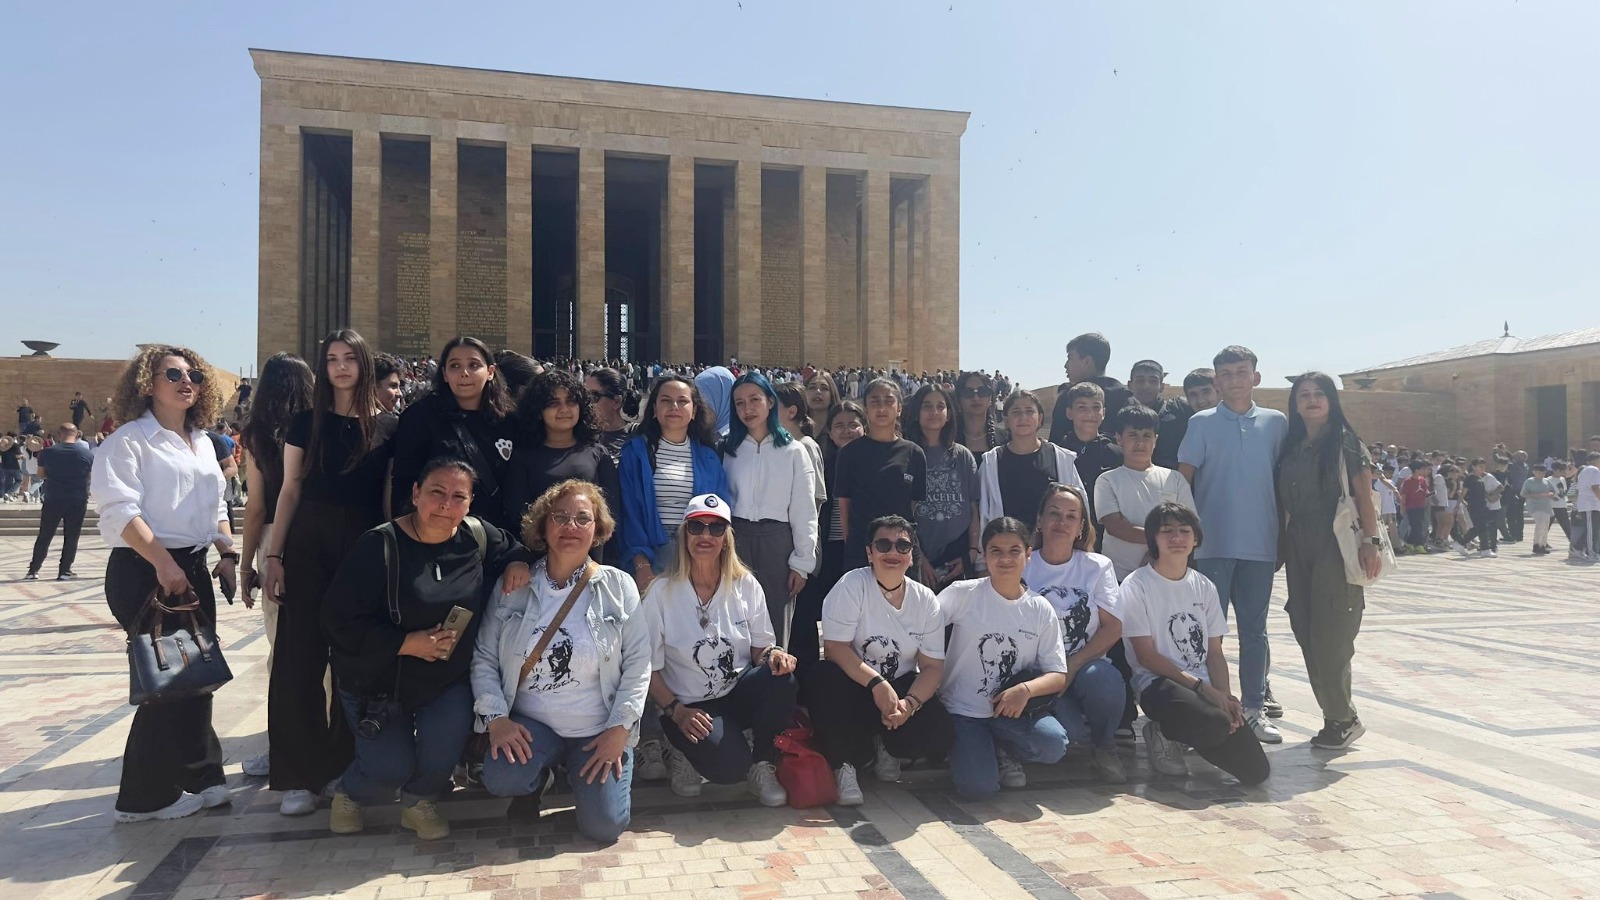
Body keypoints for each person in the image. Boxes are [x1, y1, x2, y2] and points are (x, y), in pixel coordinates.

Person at [322, 459, 532, 840]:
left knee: (443, 744)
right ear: (416, 493)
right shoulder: (379, 546)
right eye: (437, 492)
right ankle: (351, 792)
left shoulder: (476, 536)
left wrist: (517, 561)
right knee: (388, 770)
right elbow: (338, 619)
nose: (446, 504)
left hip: (446, 679)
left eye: (458, 497)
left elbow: (514, 547)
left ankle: (419, 800)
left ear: (470, 503)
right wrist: (406, 643)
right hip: (381, 680)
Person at [91, 345, 237, 821]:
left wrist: (226, 553)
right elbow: (119, 510)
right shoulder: (130, 441)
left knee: (196, 675)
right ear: (146, 384)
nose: (186, 380)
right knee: (167, 680)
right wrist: (163, 563)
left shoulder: (203, 441)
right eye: (172, 374)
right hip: (145, 567)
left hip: (190, 566)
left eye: (193, 374)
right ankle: (145, 798)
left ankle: (203, 775)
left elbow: (217, 505)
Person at [262, 329, 398, 817]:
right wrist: (274, 557)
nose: (341, 367)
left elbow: (387, 500)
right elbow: (289, 490)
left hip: (364, 545)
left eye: (350, 358)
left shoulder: (389, 427)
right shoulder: (306, 422)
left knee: (354, 658)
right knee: (298, 657)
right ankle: (300, 776)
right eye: (332, 359)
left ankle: (345, 763)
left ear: (364, 364)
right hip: (309, 543)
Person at [474, 478, 648, 842]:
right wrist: (497, 719)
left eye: (583, 518)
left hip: (598, 731)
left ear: (598, 529)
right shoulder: (515, 586)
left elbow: (638, 664)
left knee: (604, 827)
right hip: (533, 726)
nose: (571, 526)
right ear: (543, 526)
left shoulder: (620, 586)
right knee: (502, 777)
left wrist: (620, 729)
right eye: (560, 517)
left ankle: (583, 778)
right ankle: (540, 776)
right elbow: (485, 657)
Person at [643, 495, 798, 805]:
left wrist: (775, 656)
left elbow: (761, 649)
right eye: (697, 527)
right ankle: (681, 748)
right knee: (730, 769)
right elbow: (647, 668)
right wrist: (677, 711)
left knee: (783, 679)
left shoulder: (746, 585)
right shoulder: (661, 592)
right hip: (688, 705)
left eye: (716, 529)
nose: (706, 535)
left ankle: (763, 764)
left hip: (735, 693)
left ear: (727, 538)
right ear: (684, 534)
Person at [1176, 345, 1286, 743]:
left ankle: (1254, 708)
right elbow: (1183, 480)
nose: (1234, 379)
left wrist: (1284, 538)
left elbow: (1283, 482)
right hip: (1213, 545)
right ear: (1217, 381)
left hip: (1261, 544)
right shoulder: (1201, 423)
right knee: (1209, 634)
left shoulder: (1277, 423)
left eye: (1241, 371)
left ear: (1256, 376)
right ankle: (1211, 710)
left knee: (1255, 631)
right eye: (1226, 373)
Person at [806, 515, 952, 804]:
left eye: (902, 546)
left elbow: (932, 667)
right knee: (823, 677)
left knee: (941, 732)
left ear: (911, 556)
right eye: (883, 545)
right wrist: (876, 684)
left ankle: (886, 743)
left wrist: (909, 705)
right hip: (857, 686)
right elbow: (835, 648)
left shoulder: (926, 600)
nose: (893, 552)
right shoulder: (851, 585)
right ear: (869, 553)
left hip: (898, 690)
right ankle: (843, 764)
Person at [1121, 503, 1268, 785]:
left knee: (1256, 772)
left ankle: (1198, 728)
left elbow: (1214, 653)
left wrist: (1225, 697)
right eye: (1167, 531)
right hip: (1158, 683)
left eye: (1184, 531)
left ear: (1196, 539)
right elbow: (1146, 656)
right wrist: (1204, 690)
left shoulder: (1204, 586)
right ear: (1153, 539)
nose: (1176, 538)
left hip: (1202, 689)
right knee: (1214, 724)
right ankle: (1164, 732)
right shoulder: (1136, 585)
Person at [1275, 373, 1379, 750]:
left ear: (1332, 400)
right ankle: (1336, 714)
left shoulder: (1344, 442)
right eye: (1304, 395)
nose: (1312, 400)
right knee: (1305, 627)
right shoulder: (1291, 446)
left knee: (1332, 633)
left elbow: (1363, 496)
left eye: (1319, 394)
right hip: (1299, 543)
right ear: (1295, 403)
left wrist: (1370, 541)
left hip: (1336, 543)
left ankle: (1342, 718)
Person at [938, 517, 1069, 799]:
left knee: (1053, 744)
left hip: (1011, 712)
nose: (1005, 559)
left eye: (1014, 551)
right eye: (996, 551)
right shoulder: (962, 594)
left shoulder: (1040, 608)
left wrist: (1025, 691)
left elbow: (1057, 674)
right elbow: (923, 629)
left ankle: (1006, 750)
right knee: (978, 788)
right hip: (963, 711)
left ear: (1028, 555)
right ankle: (970, 751)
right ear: (984, 555)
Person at [234, 351, 315, 778]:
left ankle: (285, 744)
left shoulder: (258, 434)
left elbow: (256, 508)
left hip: (273, 543)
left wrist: (246, 564)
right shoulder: (322, 425)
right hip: (320, 536)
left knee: (282, 649)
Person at [1022, 485, 1127, 783]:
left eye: (1071, 516)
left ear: (1081, 526)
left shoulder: (1097, 566)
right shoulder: (1023, 565)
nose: (1062, 522)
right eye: (1054, 514)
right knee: (1070, 734)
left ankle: (1104, 746)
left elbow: (1113, 626)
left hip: (1083, 667)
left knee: (1104, 680)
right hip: (1037, 672)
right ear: (1039, 520)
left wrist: (1073, 665)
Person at [722, 372, 819, 646]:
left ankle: (773, 674)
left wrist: (802, 563)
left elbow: (804, 510)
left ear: (770, 402)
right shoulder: (728, 448)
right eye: (740, 403)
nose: (748, 409)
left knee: (774, 624)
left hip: (777, 543)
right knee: (735, 620)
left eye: (755, 399)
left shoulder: (793, 451)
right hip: (736, 540)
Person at [391, 337, 520, 532]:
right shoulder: (420, 417)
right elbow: (405, 483)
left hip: (499, 535)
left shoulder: (509, 420)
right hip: (441, 532)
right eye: (455, 366)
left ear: (490, 372)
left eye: (473, 365)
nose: (464, 373)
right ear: (444, 374)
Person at [618, 375, 730, 593]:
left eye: (682, 401)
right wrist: (641, 564)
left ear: (694, 411)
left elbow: (719, 510)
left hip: (699, 553)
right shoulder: (636, 453)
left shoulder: (708, 457)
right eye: (666, 400)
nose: (674, 407)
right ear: (654, 409)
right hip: (654, 554)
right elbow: (629, 513)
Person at [502, 370, 621, 555]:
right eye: (553, 403)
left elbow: (611, 513)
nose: (564, 409)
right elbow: (518, 518)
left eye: (571, 401)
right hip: (540, 558)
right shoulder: (522, 457)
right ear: (538, 410)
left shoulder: (597, 453)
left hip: (590, 558)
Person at [792, 401, 868, 678]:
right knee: (819, 613)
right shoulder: (825, 462)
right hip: (829, 549)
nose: (846, 431)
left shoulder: (873, 462)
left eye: (853, 425)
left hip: (860, 550)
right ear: (831, 433)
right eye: (839, 426)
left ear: (864, 427)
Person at [836, 378, 927, 572]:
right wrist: (853, 544)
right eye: (875, 401)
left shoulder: (914, 453)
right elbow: (844, 506)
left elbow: (913, 504)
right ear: (866, 409)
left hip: (903, 547)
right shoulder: (849, 453)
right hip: (862, 549)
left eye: (889, 401)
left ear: (899, 408)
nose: (882, 408)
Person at [978, 389, 1082, 535]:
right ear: (1007, 420)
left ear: (1040, 418)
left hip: (1051, 545)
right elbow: (983, 511)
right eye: (1016, 412)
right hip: (1007, 545)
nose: (1023, 417)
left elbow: (1079, 505)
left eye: (1029, 411)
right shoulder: (991, 462)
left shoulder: (1062, 458)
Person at [904, 383, 978, 589]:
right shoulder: (907, 455)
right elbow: (904, 513)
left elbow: (973, 508)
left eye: (940, 406)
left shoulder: (962, 455)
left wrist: (971, 553)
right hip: (917, 553)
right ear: (916, 413)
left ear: (949, 414)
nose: (934, 412)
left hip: (957, 554)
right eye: (927, 406)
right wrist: (919, 557)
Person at [1050, 382, 1123, 535]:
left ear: (1104, 412)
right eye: (1082, 407)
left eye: (1096, 407)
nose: (1090, 413)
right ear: (1069, 413)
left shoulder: (1117, 455)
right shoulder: (1056, 454)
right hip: (1067, 534)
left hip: (1107, 535)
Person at [27, 423, 95, 581]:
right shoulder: (87, 454)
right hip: (77, 499)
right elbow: (90, 476)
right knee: (72, 536)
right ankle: (64, 571)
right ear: (77, 434)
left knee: (45, 535)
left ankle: (33, 570)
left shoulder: (47, 452)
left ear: (59, 434)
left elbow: (41, 474)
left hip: (53, 497)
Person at [1049, 333, 1133, 441]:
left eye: (1070, 358)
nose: (1065, 365)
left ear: (1086, 362)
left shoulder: (1068, 398)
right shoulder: (1127, 398)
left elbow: (1056, 443)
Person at [773, 380, 827, 507]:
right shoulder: (777, 445)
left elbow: (816, 496)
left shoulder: (806, 446)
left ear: (792, 412)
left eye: (773, 407)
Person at [585, 368, 637, 463]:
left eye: (593, 396)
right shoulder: (580, 435)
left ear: (617, 401)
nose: (586, 402)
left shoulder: (638, 434)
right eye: (584, 395)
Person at [953, 371, 1004, 458]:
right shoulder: (947, 440)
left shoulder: (1006, 439)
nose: (976, 398)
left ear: (991, 398)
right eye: (968, 392)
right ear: (958, 400)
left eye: (983, 391)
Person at [1455, 458, 1497, 558]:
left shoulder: (1480, 478)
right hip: (1474, 506)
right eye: (1480, 467)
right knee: (1480, 526)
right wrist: (1459, 504)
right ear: (1474, 467)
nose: (1482, 469)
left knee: (1482, 527)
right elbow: (1463, 492)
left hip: (1482, 505)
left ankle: (1484, 549)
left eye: (1483, 467)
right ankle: (1462, 543)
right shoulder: (1470, 478)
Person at [1520, 463, 1559, 556]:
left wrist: (1551, 495)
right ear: (1534, 472)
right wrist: (1536, 495)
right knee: (1540, 524)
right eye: (1539, 473)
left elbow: (1552, 491)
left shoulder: (1547, 481)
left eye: (1543, 473)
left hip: (1546, 506)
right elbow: (1523, 494)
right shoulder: (1529, 481)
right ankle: (1536, 544)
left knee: (1545, 526)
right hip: (1535, 506)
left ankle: (1542, 545)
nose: (1541, 475)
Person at [1400, 460, 1435, 555]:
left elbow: (1425, 491)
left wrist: (1429, 495)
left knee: (1418, 525)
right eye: (1422, 469)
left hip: (1421, 506)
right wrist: (1402, 507)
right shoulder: (1408, 481)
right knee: (1417, 526)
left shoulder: (1422, 480)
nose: (1424, 471)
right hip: (1411, 506)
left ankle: (1409, 542)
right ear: (1416, 470)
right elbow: (1404, 495)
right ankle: (1418, 545)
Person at [1575, 451, 1600, 562]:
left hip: (1590, 505)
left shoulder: (1584, 471)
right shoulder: (1593, 470)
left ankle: (1578, 548)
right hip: (1590, 504)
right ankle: (1591, 553)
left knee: (1592, 529)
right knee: (1591, 530)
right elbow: (1595, 488)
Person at [1503, 450, 1530, 543]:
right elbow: (1514, 459)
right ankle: (1519, 535)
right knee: (1519, 515)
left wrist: (1503, 451)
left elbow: (1509, 460)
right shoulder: (1526, 466)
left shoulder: (1513, 466)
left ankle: (1513, 534)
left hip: (1513, 492)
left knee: (1511, 514)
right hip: (1522, 492)